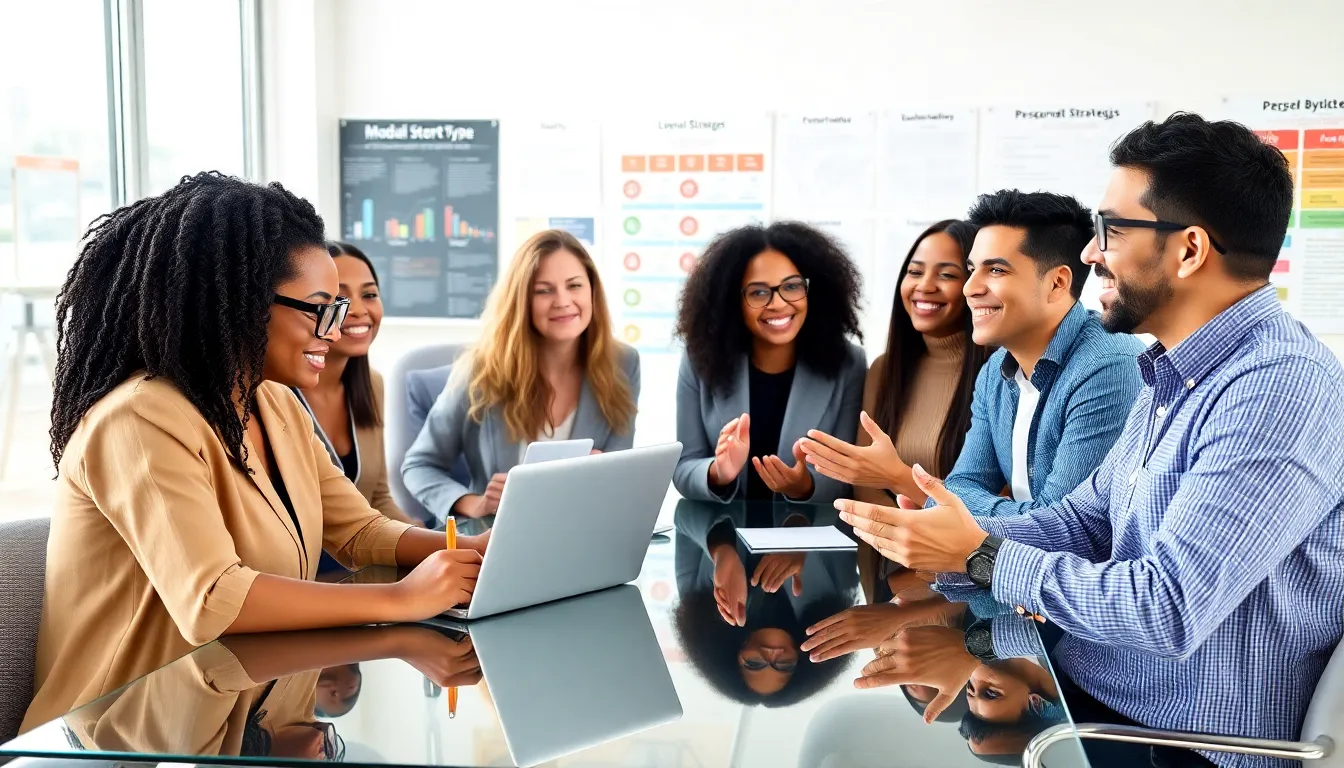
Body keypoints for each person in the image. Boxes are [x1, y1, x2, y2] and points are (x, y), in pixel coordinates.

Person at [837, 113, 1344, 768]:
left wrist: (983, 553)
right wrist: (951, 547)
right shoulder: (1177, 370)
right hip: (1099, 696)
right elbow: (1085, 521)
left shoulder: (1278, 388)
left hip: (1180, 745)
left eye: (1112, 230)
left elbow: (1167, 608)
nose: (1088, 253)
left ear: (1189, 250)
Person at [24, 173, 485, 732]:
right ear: (239, 303)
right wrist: (400, 600)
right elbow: (215, 600)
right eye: (320, 309)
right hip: (123, 736)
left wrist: (473, 553)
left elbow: (358, 531)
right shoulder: (138, 419)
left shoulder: (275, 404)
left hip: (239, 716)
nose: (335, 332)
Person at [794, 220, 987, 597]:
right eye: (915, 272)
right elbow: (865, 482)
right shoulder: (885, 370)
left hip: (960, 584)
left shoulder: (997, 373)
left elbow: (999, 502)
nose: (924, 286)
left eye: (946, 274)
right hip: (889, 577)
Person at [401, 229, 640, 533]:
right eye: (544, 290)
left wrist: (606, 472)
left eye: (574, 286)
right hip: (497, 538)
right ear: (522, 300)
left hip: (584, 534)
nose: (563, 301)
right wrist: (473, 502)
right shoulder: (481, 371)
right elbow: (419, 466)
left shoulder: (623, 363)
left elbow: (620, 475)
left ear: (592, 291)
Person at [673, 222, 866, 504]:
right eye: (759, 292)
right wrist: (718, 472)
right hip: (722, 541)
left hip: (806, 541)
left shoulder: (849, 364)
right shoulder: (700, 359)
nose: (777, 304)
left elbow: (849, 478)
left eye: (791, 286)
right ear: (732, 301)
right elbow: (683, 467)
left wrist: (804, 485)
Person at [296, 242, 421, 577]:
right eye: (337, 299)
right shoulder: (275, 395)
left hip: (361, 567)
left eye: (369, 295)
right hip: (300, 579)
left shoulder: (371, 386)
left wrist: (436, 544)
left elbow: (378, 500)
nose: (358, 311)